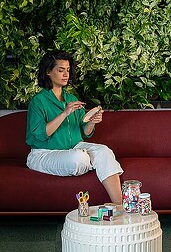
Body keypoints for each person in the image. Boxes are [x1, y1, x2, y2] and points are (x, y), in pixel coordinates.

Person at [25, 50, 123, 206]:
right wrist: (65, 113)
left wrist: (92, 121)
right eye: (60, 70)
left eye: (68, 70)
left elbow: (85, 132)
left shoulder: (71, 98)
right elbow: (42, 134)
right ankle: (92, 162)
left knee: (104, 151)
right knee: (79, 158)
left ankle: (120, 206)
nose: (66, 74)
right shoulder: (38, 101)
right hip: (44, 153)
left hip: (75, 147)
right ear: (48, 72)